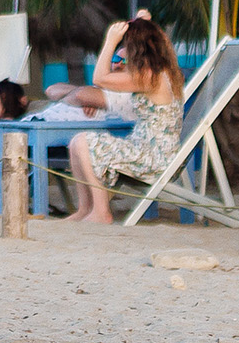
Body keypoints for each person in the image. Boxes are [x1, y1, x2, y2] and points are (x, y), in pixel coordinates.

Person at [64, 14, 187, 223]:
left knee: (85, 142)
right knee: (76, 142)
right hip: (146, 151)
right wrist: (141, 22)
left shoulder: (150, 77)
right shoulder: (163, 71)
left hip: (154, 159)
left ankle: (101, 212)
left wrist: (110, 41)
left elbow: (99, 79)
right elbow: (161, 39)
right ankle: (85, 210)